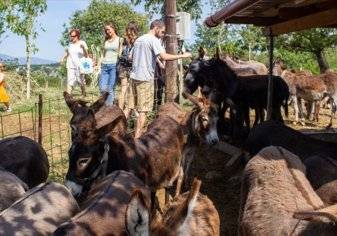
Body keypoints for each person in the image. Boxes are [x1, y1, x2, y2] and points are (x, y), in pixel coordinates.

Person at [125, 19, 192, 138]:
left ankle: (117, 134)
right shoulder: (153, 40)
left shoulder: (139, 39)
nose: (163, 34)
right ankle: (136, 140)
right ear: (156, 27)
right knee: (143, 112)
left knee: (128, 108)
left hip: (133, 77)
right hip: (145, 80)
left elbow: (130, 57)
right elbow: (164, 56)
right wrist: (182, 55)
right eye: (162, 31)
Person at [99, 22, 123, 106]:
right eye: (106, 30)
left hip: (113, 66)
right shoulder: (105, 40)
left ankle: (109, 108)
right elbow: (103, 53)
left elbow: (120, 54)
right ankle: (104, 106)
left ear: (113, 28)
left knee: (110, 88)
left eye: (108, 29)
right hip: (104, 66)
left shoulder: (120, 39)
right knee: (102, 88)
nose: (107, 31)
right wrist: (99, 63)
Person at [118, 21, 139, 109]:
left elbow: (119, 54)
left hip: (123, 66)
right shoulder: (138, 39)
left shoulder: (123, 39)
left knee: (123, 89)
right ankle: (129, 110)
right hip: (132, 67)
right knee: (131, 90)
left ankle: (120, 110)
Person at [61, 29, 88, 96]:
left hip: (79, 65)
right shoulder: (70, 44)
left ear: (77, 36)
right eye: (71, 36)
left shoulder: (82, 43)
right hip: (70, 65)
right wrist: (62, 58)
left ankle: (83, 93)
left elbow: (86, 55)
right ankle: (68, 95)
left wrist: (83, 48)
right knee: (70, 81)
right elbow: (67, 52)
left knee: (80, 81)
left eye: (73, 36)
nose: (71, 37)